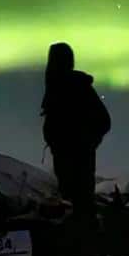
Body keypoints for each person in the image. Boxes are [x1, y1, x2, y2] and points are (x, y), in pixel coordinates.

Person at [40, 42, 111, 221]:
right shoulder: (54, 89)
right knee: (72, 205)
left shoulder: (78, 87)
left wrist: (85, 143)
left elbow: (103, 121)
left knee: (81, 204)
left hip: (79, 159)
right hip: (65, 158)